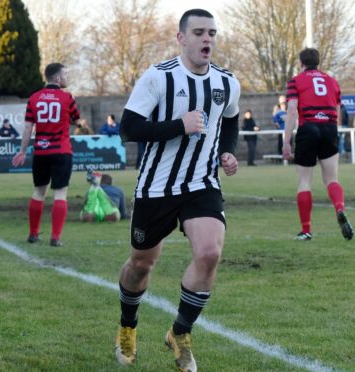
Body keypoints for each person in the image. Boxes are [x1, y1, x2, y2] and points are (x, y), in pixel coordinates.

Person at [114, 9, 240, 371]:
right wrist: (177, 125)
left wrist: (227, 151)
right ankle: (127, 327)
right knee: (142, 263)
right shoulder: (158, 77)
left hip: (201, 183)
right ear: (181, 38)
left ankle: (180, 333)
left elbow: (229, 118)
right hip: (156, 187)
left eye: (212, 33)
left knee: (210, 252)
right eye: (199, 32)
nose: (207, 40)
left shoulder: (226, 81)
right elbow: (129, 128)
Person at [282, 47, 354, 241]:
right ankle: (339, 208)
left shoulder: (295, 81)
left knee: (304, 181)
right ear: (318, 62)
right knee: (332, 179)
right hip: (329, 128)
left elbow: (291, 111)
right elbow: (337, 111)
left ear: (301, 63)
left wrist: (286, 141)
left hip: (308, 128)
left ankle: (306, 230)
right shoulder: (332, 81)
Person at [11, 63, 80, 247]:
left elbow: (28, 127)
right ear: (57, 78)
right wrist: (81, 124)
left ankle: (33, 234)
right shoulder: (67, 98)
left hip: (41, 152)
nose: (68, 77)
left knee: (39, 192)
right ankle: (55, 237)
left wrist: (22, 151)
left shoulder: (34, 98)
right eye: (66, 74)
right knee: (60, 193)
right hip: (62, 151)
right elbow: (78, 121)